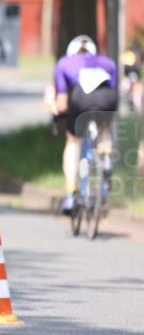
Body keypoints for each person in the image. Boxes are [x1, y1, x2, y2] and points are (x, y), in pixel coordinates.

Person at [52, 35, 119, 214]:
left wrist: (60, 112)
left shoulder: (64, 63)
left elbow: (62, 100)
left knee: (73, 141)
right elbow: (112, 87)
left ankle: (69, 194)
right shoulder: (108, 62)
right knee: (104, 131)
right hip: (107, 97)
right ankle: (105, 159)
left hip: (82, 97)